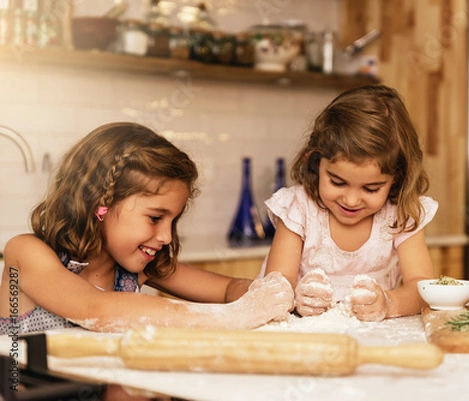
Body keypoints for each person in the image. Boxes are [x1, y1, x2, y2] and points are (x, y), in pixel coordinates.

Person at [0, 122, 293, 335]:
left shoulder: (136, 267)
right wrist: (230, 318)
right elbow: (95, 309)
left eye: (172, 221)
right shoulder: (26, 254)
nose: (165, 237)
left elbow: (229, 289)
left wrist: (266, 295)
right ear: (99, 203)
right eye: (155, 218)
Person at [261, 85, 438, 322]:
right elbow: (275, 287)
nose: (351, 200)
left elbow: (423, 287)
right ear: (314, 163)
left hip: (372, 340)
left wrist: (389, 304)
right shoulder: (299, 208)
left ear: (397, 178)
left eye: (371, 188)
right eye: (337, 182)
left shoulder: (400, 214)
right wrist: (295, 299)